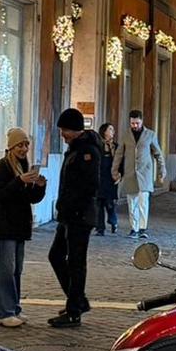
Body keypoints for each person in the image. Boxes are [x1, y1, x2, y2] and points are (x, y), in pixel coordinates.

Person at [47, 108, 101, 328]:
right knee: (56, 256)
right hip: (69, 215)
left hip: (80, 216)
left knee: (76, 262)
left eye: (64, 130)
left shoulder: (87, 151)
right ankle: (77, 300)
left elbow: (89, 186)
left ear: (75, 130)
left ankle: (74, 312)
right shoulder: (75, 149)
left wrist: (73, 208)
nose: (62, 134)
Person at [0, 127, 47, 327]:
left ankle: (13, 307)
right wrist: (18, 181)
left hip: (20, 226)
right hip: (5, 225)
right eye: (20, 145)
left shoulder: (25, 166)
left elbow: (31, 198)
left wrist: (40, 186)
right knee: (5, 269)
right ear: (11, 147)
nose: (24, 149)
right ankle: (3, 312)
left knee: (16, 269)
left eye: (26, 145)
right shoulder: (0, 167)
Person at [113, 110, 166, 239]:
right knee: (132, 203)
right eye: (132, 123)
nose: (135, 126)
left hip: (145, 174)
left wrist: (161, 170)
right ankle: (134, 228)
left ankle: (143, 228)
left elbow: (158, 154)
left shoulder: (150, 135)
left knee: (143, 202)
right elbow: (119, 154)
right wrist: (114, 171)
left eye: (137, 123)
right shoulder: (126, 135)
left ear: (142, 121)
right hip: (130, 174)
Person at [96, 122, 119, 236]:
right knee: (99, 203)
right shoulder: (97, 145)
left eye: (113, 130)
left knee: (109, 203)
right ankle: (100, 228)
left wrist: (119, 174)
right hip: (99, 177)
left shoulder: (116, 146)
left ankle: (113, 221)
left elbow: (119, 161)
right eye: (110, 129)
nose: (112, 132)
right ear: (104, 131)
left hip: (110, 178)